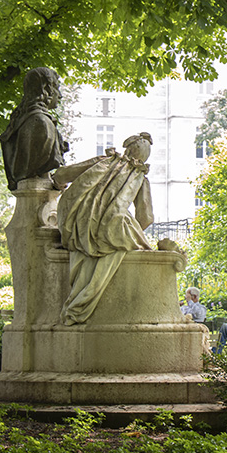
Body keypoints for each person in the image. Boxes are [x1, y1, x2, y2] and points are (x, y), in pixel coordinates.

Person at [53, 133, 154, 325]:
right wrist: (135, 230)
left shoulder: (105, 160)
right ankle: (80, 304)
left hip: (76, 224)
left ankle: (77, 304)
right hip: (112, 228)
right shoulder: (141, 179)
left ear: (127, 148)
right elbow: (146, 217)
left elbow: (63, 174)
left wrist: (58, 183)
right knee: (124, 235)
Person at [0, 67, 69, 190]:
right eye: (56, 88)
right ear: (45, 89)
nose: (60, 95)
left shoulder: (28, 120)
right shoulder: (40, 123)